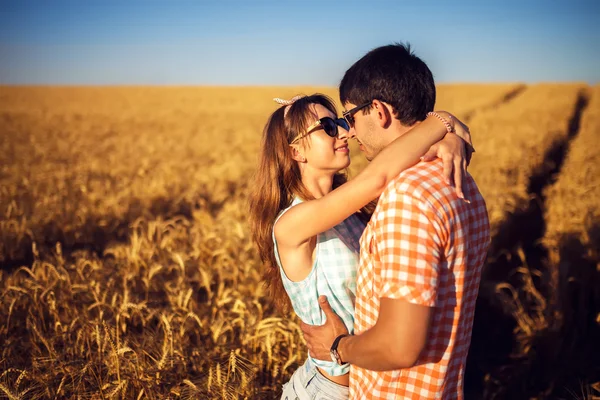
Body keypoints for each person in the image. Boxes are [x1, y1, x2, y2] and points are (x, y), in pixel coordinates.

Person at [248, 90, 472, 399]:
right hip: (328, 391)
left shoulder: (354, 212)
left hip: (370, 385)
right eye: (328, 128)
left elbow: (399, 174)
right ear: (296, 151)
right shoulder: (291, 224)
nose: (345, 132)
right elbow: (377, 178)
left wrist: (447, 141)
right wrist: (443, 121)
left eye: (340, 122)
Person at [300, 44, 490, 399]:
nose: (349, 133)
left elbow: (398, 347)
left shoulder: (407, 197)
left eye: (350, 117)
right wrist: (445, 126)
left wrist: (338, 346)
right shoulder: (461, 180)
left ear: (380, 111)